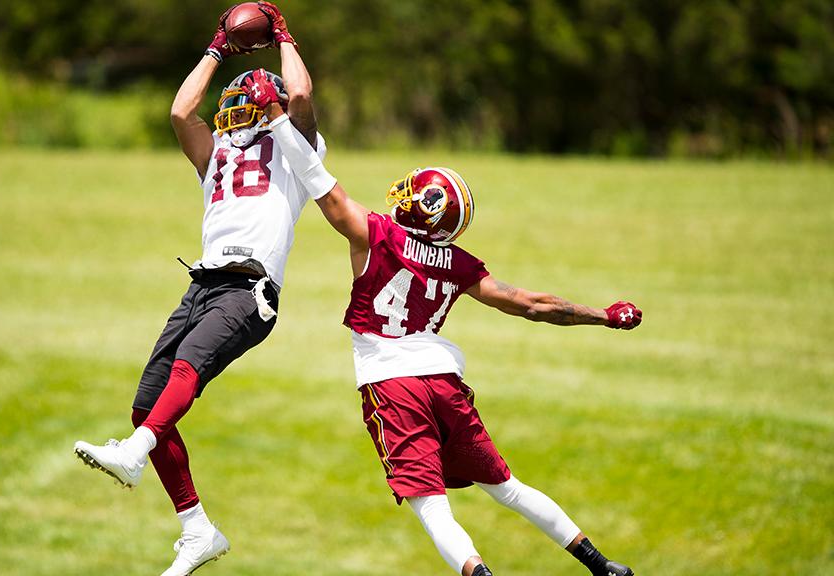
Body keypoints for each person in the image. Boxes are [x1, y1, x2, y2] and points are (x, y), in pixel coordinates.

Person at [239, 69, 642, 576]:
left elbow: (316, 178)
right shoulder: (460, 264)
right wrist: (603, 316)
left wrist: (276, 116)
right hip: (443, 381)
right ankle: (601, 565)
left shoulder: (376, 234)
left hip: (391, 383)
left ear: (422, 208)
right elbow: (533, 304)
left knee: (431, 507)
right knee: (508, 488)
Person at [72, 6, 323, 576]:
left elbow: (303, 95)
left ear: (268, 105)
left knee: (183, 371)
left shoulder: (295, 151)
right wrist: (217, 48)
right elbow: (181, 110)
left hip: (250, 288)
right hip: (203, 285)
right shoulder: (218, 156)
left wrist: (283, 37)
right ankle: (197, 530)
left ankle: (134, 452)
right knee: (146, 406)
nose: (231, 110)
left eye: (244, 101)